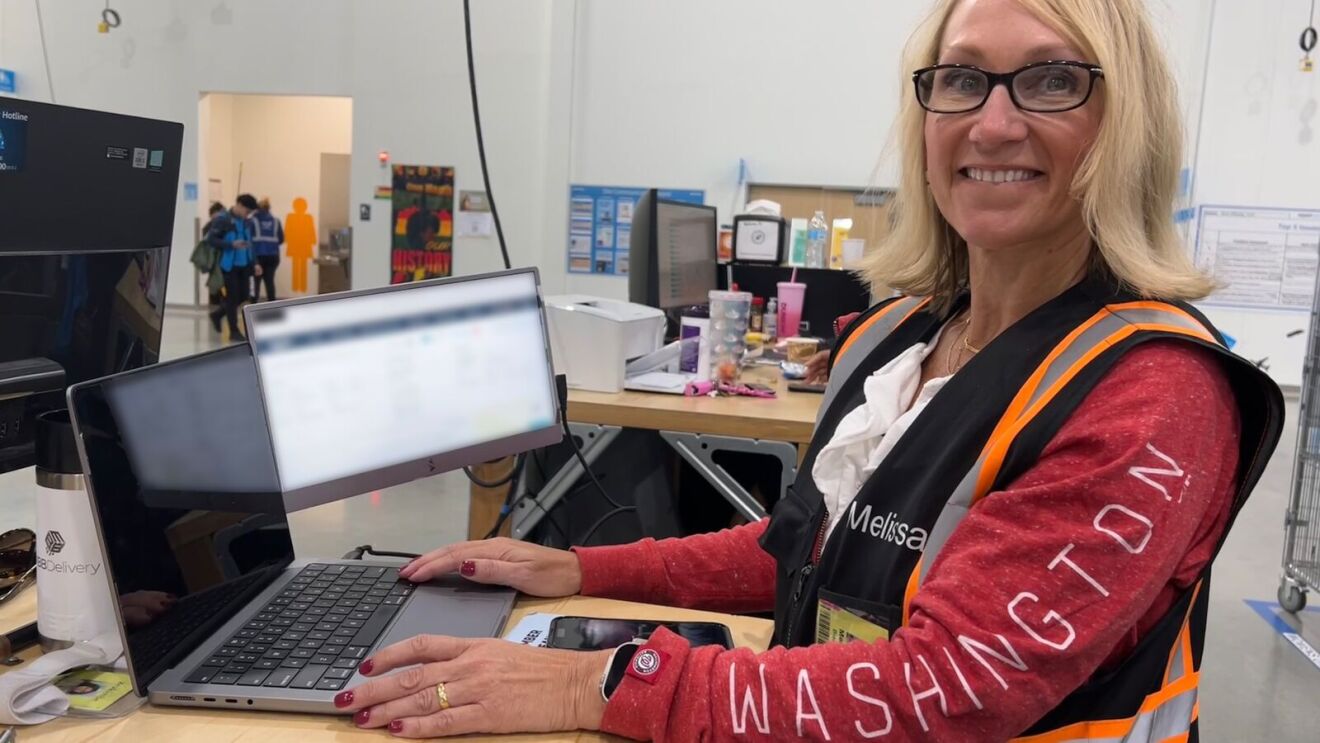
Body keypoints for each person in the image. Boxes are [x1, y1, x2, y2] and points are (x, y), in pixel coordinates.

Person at [336, 0, 1284, 740]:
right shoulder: (897, 340)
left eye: (1048, 81)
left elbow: (936, 691)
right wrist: (583, 564)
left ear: (1127, 123)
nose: (992, 123)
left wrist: (599, 681)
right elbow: (805, 553)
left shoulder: (1154, 395)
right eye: (960, 80)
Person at [208, 194, 258, 341]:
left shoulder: (247, 222)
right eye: (247, 211)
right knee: (232, 298)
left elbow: (251, 243)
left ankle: (217, 315)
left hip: (244, 265)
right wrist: (230, 244)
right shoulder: (222, 220)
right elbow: (211, 240)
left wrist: (255, 263)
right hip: (229, 266)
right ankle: (234, 331)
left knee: (243, 296)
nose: (248, 214)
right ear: (240, 205)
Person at [248, 196, 285, 302]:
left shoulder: (252, 221)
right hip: (273, 256)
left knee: (255, 283)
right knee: (270, 282)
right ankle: (271, 306)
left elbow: (248, 238)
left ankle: (253, 306)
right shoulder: (276, 221)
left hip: (257, 256)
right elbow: (281, 239)